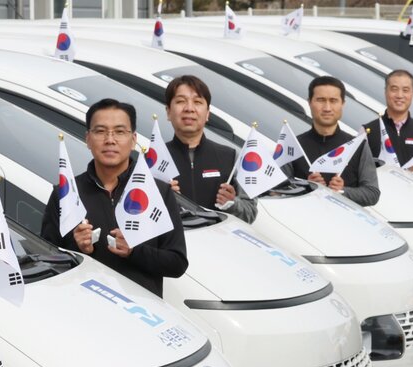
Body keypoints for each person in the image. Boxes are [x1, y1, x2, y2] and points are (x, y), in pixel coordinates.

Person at [40, 98, 188, 296]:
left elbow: (177, 263)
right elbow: (46, 259)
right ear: (87, 139)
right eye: (100, 131)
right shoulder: (66, 193)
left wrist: (134, 251)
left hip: (144, 313)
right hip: (84, 309)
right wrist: (76, 247)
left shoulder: (158, 191)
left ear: (134, 139)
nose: (110, 139)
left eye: (120, 131)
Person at [163, 74, 258, 224]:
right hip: (175, 245)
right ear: (168, 111)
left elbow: (250, 214)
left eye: (197, 102)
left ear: (207, 113)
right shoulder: (152, 162)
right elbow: (137, 216)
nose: (189, 108)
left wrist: (232, 203)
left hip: (219, 244)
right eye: (181, 101)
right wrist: (161, 199)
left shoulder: (230, 157)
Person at [287, 76, 381, 208]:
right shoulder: (293, 145)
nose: (327, 108)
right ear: (309, 102)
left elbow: (372, 193)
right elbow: (276, 189)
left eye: (333, 101)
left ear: (342, 103)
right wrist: (306, 187)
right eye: (320, 100)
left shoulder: (357, 146)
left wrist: (342, 191)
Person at [364, 69, 413, 185]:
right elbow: (356, 168)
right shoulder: (368, 131)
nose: (400, 95)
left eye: (405, 90)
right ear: (386, 92)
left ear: (412, 93)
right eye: (394, 89)